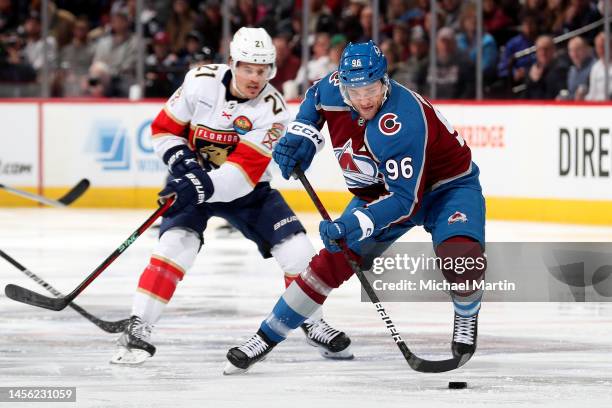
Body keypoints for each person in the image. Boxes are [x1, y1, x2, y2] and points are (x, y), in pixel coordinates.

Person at [224, 40, 486, 374]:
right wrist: (302, 137)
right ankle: (266, 335)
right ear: (342, 83)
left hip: (445, 188)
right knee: (327, 264)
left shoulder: (401, 121)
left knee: (460, 253)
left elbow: (406, 201)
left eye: (371, 89)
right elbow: (313, 104)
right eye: (354, 90)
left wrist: (353, 223)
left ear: (385, 81)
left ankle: (466, 314)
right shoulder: (330, 89)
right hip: (378, 191)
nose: (364, 99)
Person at [110, 27, 353, 365]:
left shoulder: (274, 109)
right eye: (249, 68)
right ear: (231, 64)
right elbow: (165, 129)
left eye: (263, 69)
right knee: (174, 245)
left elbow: (240, 177)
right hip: (191, 176)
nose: (256, 77)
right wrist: (179, 158)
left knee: (298, 251)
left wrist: (201, 184)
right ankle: (140, 325)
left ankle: (311, 322)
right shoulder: (199, 80)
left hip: (246, 191)